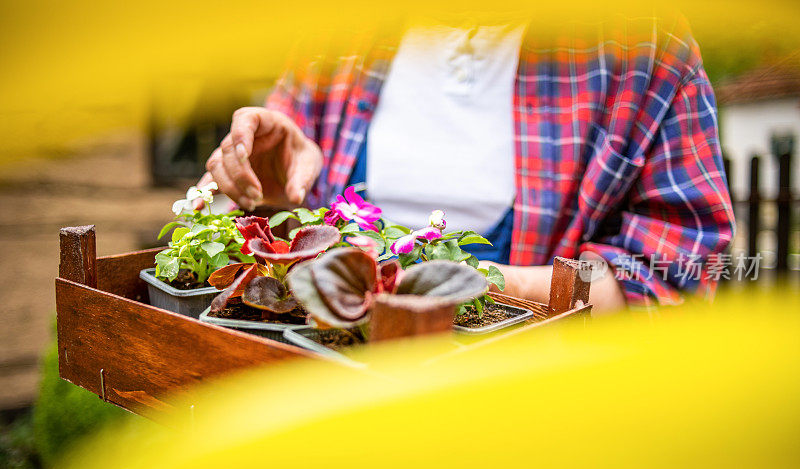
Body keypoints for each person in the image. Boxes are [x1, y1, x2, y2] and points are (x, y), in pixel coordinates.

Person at [195, 12, 735, 313]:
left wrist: (479, 283)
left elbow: (672, 273)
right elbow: (258, 200)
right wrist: (264, 188)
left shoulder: (645, 51)